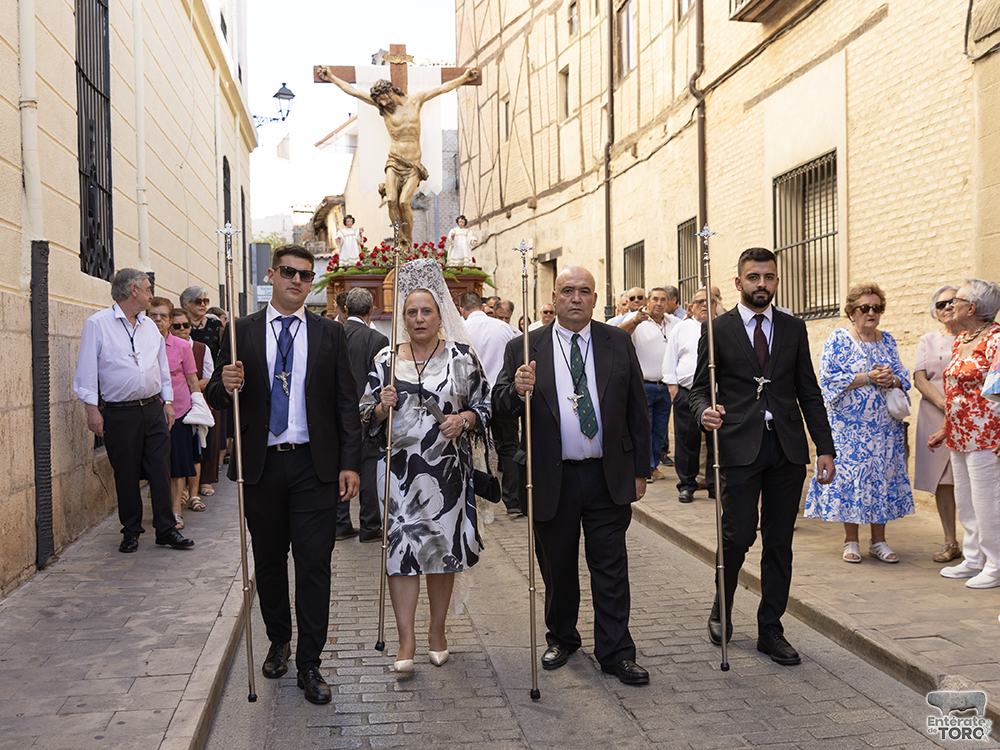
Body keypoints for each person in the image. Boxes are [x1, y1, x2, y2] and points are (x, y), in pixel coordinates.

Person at [206, 243, 361, 705]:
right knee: (270, 561)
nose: (297, 280)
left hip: (315, 467)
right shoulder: (241, 331)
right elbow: (215, 393)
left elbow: (346, 401)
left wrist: (350, 462)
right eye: (289, 272)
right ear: (271, 275)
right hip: (262, 464)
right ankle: (279, 640)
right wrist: (225, 385)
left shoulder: (330, 333)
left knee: (314, 564)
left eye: (305, 275)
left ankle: (310, 663)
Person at [493, 266, 651, 686]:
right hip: (551, 476)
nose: (575, 298)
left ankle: (616, 652)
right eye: (567, 291)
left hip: (606, 475)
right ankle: (562, 637)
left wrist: (640, 470)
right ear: (554, 297)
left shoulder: (617, 341)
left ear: (596, 299)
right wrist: (517, 390)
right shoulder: (523, 346)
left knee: (611, 568)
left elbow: (637, 409)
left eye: (584, 291)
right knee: (557, 567)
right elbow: (500, 407)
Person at [690, 247, 835, 666]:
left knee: (779, 540)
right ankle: (722, 605)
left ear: (776, 281)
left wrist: (825, 447)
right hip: (738, 446)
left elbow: (808, 390)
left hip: (786, 448)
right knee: (737, 535)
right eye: (753, 277)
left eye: (769, 277)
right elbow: (699, 390)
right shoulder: (717, 330)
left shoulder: (793, 328)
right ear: (739, 282)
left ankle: (771, 627)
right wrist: (704, 412)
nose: (761, 284)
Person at [360, 259, 491, 675]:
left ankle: (437, 632)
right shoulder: (385, 359)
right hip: (396, 473)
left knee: (441, 551)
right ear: (403, 318)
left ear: (440, 315)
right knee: (401, 553)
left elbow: (485, 405)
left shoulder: (461, 357)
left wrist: (463, 419)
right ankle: (406, 639)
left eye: (426, 311)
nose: (419, 318)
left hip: (446, 471)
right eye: (412, 312)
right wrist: (381, 407)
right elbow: (364, 413)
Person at [72, 269, 194, 553]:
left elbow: (161, 367)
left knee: (160, 469)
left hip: (153, 409)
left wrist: (167, 403)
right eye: (148, 289)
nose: (151, 294)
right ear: (133, 291)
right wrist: (92, 410)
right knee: (126, 473)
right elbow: (87, 370)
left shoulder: (149, 326)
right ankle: (131, 531)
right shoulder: (97, 324)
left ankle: (166, 529)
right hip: (120, 412)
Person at [804, 284, 914, 563]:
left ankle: (879, 541)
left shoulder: (888, 340)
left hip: (884, 429)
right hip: (849, 429)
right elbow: (827, 380)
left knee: (881, 479)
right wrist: (868, 377)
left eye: (877, 308)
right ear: (851, 312)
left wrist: (892, 379)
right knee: (851, 481)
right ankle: (850, 540)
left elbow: (904, 377)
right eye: (864, 308)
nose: (871, 313)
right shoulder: (839, 339)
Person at [317, 66, 480, 252]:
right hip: (394, 161)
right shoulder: (384, 109)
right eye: (379, 101)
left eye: (383, 98)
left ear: (390, 91)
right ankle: (399, 237)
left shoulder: (416, 100)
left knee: (404, 202)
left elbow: (442, 88)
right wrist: (332, 77)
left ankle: (407, 239)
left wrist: (464, 78)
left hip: (413, 165)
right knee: (391, 200)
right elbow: (354, 92)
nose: (382, 104)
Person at [928, 279, 1000, 589]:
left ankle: (995, 565)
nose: (950, 305)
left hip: (987, 435)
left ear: (971, 308)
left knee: (988, 503)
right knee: (967, 501)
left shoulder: (996, 340)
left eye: (955, 300)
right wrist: (945, 428)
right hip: (959, 434)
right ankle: (974, 559)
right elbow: (955, 390)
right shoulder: (961, 339)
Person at [914, 285, 962, 563]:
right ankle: (950, 542)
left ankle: (982, 543)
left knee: (969, 478)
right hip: (935, 412)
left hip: (967, 415)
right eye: (941, 304)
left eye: (953, 301)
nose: (947, 307)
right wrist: (945, 405)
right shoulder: (928, 340)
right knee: (943, 481)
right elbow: (919, 378)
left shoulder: (974, 338)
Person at [461, 291, 520, 515]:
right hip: (502, 393)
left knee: (473, 447)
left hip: (473, 398)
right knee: (509, 446)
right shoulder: (504, 328)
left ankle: (477, 497)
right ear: (483, 306)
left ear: (462, 309)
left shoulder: (461, 329)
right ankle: (512, 500)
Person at [339, 287, 389, 543]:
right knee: (368, 467)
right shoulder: (377, 340)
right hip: (365, 411)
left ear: (346, 309)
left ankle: (340, 524)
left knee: (340, 465)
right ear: (371, 310)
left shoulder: (333, 332)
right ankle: (370, 526)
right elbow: (380, 379)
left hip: (336, 412)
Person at [148, 298, 203, 530]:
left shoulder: (182, 347)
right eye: (153, 315)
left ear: (170, 320)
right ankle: (160, 511)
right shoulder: (141, 344)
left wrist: (198, 407)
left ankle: (175, 512)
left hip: (179, 412)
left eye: (163, 316)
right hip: (150, 414)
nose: (158, 320)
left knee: (178, 465)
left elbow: (192, 380)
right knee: (156, 466)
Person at [618, 288, 680, 482]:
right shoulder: (636, 319)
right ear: (648, 301)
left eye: (663, 300)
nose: (659, 303)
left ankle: (652, 467)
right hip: (643, 386)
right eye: (655, 299)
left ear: (668, 303)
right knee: (644, 428)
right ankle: (643, 468)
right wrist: (635, 321)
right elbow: (618, 334)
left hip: (666, 387)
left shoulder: (674, 323)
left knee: (660, 431)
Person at [663, 288, 717, 503]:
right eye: (699, 301)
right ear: (691, 306)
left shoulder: (723, 327)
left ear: (715, 305)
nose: (704, 305)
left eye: (709, 301)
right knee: (687, 441)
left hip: (717, 395)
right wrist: (673, 389)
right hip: (687, 392)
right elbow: (670, 359)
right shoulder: (681, 328)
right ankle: (687, 485)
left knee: (717, 441)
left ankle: (714, 484)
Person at [171, 306, 214, 511]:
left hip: (192, 404)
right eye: (177, 325)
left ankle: (194, 494)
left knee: (194, 450)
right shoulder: (163, 347)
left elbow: (208, 376)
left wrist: (190, 388)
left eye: (185, 325)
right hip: (172, 407)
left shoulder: (201, 348)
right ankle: (178, 495)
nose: (182, 329)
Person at [182, 286, 224, 490]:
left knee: (209, 432)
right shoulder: (179, 324)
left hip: (209, 381)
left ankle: (206, 479)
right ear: (186, 304)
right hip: (182, 383)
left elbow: (225, 351)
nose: (203, 305)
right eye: (198, 301)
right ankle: (185, 483)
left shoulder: (215, 325)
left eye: (205, 301)